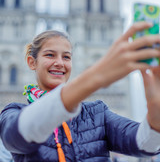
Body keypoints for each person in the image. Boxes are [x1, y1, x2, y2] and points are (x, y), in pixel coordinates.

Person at [0, 21, 160, 162]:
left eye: (67, 57)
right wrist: (96, 76)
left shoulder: (98, 113)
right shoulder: (13, 112)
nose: (59, 63)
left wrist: (155, 119)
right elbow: (17, 135)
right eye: (50, 55)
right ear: (32, 62)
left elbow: (144, 143)